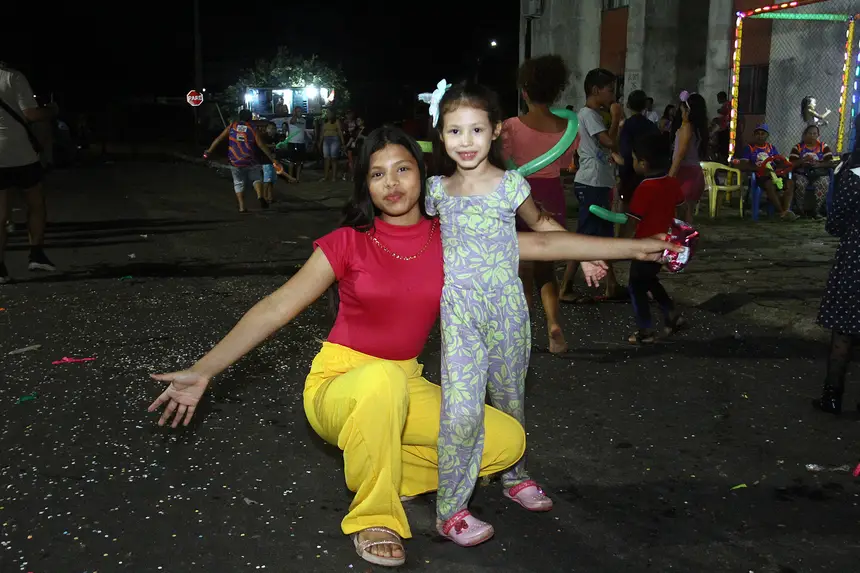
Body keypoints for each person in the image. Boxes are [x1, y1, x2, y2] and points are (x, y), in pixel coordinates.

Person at [147, 126, 678, 568]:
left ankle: (382, 464)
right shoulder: (347, 243)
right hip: (341, 383)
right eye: (377, 173)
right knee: (378, 386)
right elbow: (274, 307)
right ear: (366, 185)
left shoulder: (448, 237)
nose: (391, 182)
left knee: (505, 441)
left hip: (406, 381)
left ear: (423, 175)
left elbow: (538, 242)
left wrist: (638, 247)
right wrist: (204, 370)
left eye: (401, 168)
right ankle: (374, 515)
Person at [429, 80, 591, 545]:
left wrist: (589, 254)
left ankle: (514, 474)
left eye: (476, 130)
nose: (466, 142)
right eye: (455, 131)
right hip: (459, 314)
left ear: (496, 131)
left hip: (508, 313)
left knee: (510, 399)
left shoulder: (511, 185)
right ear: (441, 135)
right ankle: (451, 509)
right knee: (460, 412)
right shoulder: (436, 192)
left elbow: (543, 227)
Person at [502, 54, 577, 354]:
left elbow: (503, 164)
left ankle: (523, 335)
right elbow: (566, 162)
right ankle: (553, 324)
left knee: (522, 268)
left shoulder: (510, 126)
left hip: (519, 196)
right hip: (552, 192)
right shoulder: (567, 127)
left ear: (524, 91)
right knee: (547, 268)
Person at [560, 68, 625, 303]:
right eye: (610, 90)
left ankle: (612, 285)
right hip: (591, 183)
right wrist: (616, 118)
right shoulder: (588, 115)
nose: (613, 96)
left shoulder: (593, 115)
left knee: (604, 236)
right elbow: (609, 142)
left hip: (599, 182)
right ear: (596, 90)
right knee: (585, 237)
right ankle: (565, 286)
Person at [624, 133, 686, 344]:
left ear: (643, 163)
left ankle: (645, 329)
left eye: (634, 159)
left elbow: (632, 221)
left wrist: (621, 243)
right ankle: (670, 312)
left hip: (645, 246)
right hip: (665, 244)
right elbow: (682, 208)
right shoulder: (671, 183)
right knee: (649, 280)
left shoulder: (645, 188)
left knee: (636, 285)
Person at [0, 62, 57, 284]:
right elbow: (31, 114)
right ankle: (36, 254)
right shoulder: (13, 77)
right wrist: (52, 110)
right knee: (36, 204)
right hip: (20, 154)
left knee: (1, 215)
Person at [813, 149, 860, 414]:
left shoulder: (853, 176)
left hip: (855, 256)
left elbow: (835, 223)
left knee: (844, 326)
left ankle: (832, 396)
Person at [204, 109, 280, 213]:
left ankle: (242, 206)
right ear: (250, 118)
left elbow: (218, 139)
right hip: (249, 159)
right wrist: (272, 159)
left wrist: (208, 151)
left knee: (238, 183)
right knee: (256, 178)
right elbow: (261, 145)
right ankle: (259, 196)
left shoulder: (232, 126)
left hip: (234, 160)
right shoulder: (252, 128)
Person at [737, 123, 798, 221]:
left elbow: (778, 161)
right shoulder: (749, 148)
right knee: (770, 184)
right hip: (760, 176)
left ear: (767, 136)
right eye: (758, 134)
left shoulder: (771, 148)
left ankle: (786, 210)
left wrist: (782, 166)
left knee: (790, 183)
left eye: (763, 134)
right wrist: (760, 169)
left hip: (775, 174)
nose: (760, 136)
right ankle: (782, 212)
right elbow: (744, 165)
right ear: (754, 135)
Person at [668, 92, 708, 223]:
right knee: (688, 215)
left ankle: (681, 242)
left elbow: (680, 154)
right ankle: (687, 242)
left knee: (678, 216)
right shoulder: (698, 128)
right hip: (695, 173)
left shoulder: (686, 128)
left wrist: (669, 177)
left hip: (685, 174)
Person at [618, 90, 659, 206]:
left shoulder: (626, 125)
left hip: (629, 172)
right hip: (648, 170)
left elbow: (625, 150)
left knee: (627, 208)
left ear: (628, 105)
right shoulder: (651, 126)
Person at [789, 124, 835, 218]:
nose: (812, 136)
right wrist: (803, 160)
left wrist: (819, 165)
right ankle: (800, 210)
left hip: (819, 173)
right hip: (802, 173)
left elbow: (830, 163)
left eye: (815, 134)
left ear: (818, 135)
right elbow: (792, 163)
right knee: (800, 183)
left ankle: (816, 211)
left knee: (824, 182)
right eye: (810, 133)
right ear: (805, 135)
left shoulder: (823, 147)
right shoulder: (798, 147)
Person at [318, 108, 345, 182]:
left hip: (334, 139)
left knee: (333, 158)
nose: (327, 114)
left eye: (329, 112)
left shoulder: (336, 121)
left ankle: (334, 177)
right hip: (326, 139)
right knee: (326, 158)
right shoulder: (325, 121)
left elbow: (339, 131)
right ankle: (326, 176)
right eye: (327, 113)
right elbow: (322, 133)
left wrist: (342, 142)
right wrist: (320, 143)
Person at [286, 106, 310, 182]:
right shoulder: (290, 119)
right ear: (295, 112)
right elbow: (292, 121)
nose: (299, 112)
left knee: (299, 161)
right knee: (292, 161)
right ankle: (290, 178)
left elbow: (304, 131)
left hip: (301, 143)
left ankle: (298, 178)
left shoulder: (303, 120)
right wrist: (295, 115)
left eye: (300, 111)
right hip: (292, 142)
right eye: (298, 111)